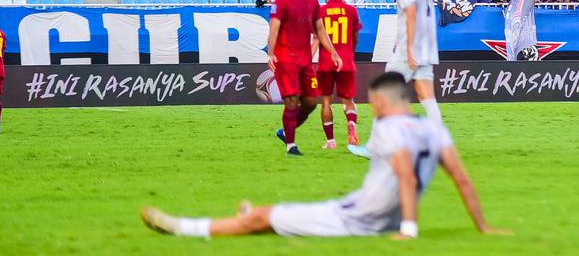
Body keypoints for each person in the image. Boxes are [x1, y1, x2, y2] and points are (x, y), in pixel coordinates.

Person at [141, 71, 504, 241]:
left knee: (264, 218)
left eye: (373, 102)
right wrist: (483, 226)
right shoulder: (434, 129)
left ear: (382, 101)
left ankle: (183, 228)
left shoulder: (391, 130)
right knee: (273, 218)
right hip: (370, 215)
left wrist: (408, 231)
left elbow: (406, 177)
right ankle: (257, 218)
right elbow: (462, 178)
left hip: (356, 220)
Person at [270, 0, 342, 156]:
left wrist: (333, 52)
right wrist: (270, 54)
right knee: (292, 100)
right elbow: (274, 29)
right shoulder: (281, 2)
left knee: (310, 103)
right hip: (285, 59)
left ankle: (286, 132)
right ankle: (291, 146)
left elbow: (320, 30)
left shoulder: (312, 2)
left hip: (305, 61)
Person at [388, 0, 442, 124]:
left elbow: (411, 15)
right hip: (427, 46)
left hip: (409, 47)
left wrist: (410, 50)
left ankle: (380, 144)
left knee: (386, 89)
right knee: (426, 95)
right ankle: (439, 140)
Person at [317, 0, 362, 150]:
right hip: (346, 60)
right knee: (348, 100)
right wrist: (350, 52)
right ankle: (351, 124)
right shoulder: (351, 11)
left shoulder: (320, 11)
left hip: (326, 61)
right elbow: (356, 35)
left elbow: (317, 36)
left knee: (326, 101)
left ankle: (331, 142)